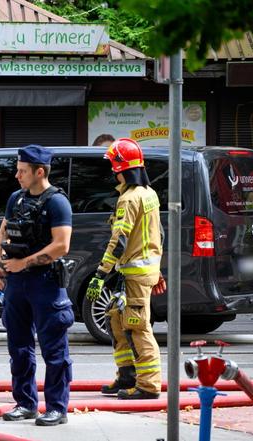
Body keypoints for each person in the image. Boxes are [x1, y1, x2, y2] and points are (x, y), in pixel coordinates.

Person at [0, 145, 73, 426]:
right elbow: (2, 232)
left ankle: (57, 408)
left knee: (54, 349)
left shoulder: (57, 203)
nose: (16, 175)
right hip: (16, 284)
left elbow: (61, 245)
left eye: (22, 171)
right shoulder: (17, 199)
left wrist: (23, 263)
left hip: (45, 283)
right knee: (19, 346)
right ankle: (25, 403)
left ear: (39, 172)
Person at [85, 138, 167, 400]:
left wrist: (100, 274)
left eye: (113, 164)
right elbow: (157, 236)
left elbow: (119, 240)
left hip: (134, 274)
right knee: (115, 318)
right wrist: (157, 271)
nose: (111, 170)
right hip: (139, 272)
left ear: (121, 167)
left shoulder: (130, 199)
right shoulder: (149, 194)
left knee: (137, 326)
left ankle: (148, 385)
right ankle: (127, 375)